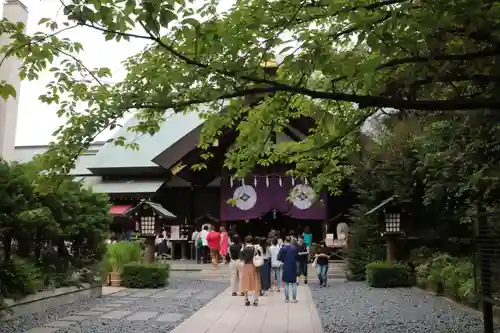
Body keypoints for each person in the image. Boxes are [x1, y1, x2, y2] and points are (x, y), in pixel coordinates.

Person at [240, 236, 260, 306]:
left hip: (246, 266)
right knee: (254, 282)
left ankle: (246, 299)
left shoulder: (243, 249)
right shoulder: (255, 248)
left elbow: (241, 259)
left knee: (245, 282)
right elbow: (258, 257)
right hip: (253, 266)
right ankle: (255, 300)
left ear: (245, 241)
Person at [278, 236, 299, 303]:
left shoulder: (283, 248)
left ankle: (287, 299)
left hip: (286, 266)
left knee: (286, 283)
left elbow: (279, 257)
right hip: (293, 266)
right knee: (293, 283)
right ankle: (294, 299)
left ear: (285, 241)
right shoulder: (294, 248)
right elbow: (297, 257)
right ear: (290, 240)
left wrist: (284, 260)